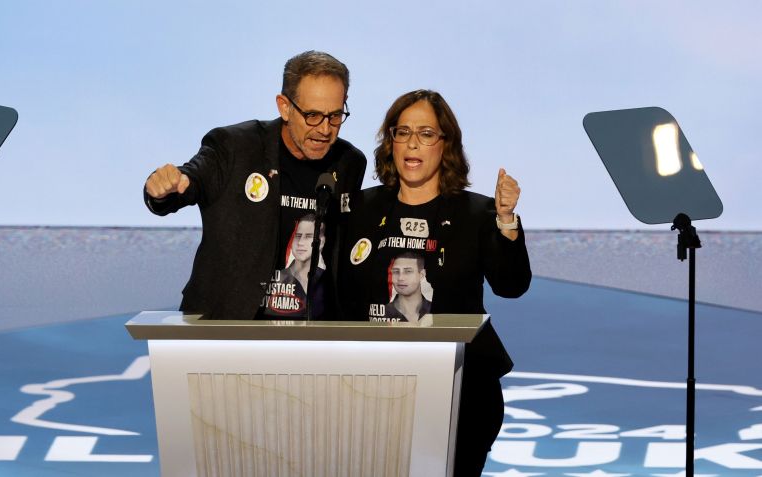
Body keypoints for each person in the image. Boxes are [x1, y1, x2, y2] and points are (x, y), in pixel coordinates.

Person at [340, 89, 531, 474]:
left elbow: (511, 285)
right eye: (403, 132)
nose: (413, 143)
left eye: (426, 133)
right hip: (371, 390)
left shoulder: (478, 212)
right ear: (390, 141)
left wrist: (507, 220)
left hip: (460, 393)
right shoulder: (358, 209)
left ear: (446, 145)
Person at [144, 51, 367, 320]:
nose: (325, 129)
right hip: (227, 324)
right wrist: (163, 188)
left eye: (335, 116)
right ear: (284, 107)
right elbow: (190, 180)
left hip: (310, 330)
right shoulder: (235, 146)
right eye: (312, 115)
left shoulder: (349, 162)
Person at [380, 252, 432, 323]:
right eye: (396, 271)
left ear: (421, 275)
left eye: (408, 271)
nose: (400, 278)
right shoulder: (382, 314)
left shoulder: (436, 310)